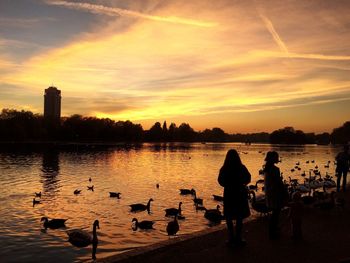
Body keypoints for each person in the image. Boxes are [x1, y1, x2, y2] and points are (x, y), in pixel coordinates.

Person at [218, 149, 251, 246]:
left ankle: (231, 237)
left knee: (229, 216)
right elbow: (248, 178)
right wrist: (242, 183)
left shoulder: (224, 168)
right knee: (239, 217)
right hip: (240, 193)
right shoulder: (241, 167)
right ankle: (238, 238)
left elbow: (220, 181)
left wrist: (227, 184)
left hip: (229, 194)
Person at [263, 151, 286, 239]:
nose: (278, 159)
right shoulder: (275, 169)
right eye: (277, 157)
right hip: (275, 193)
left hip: (269, 193)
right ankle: (273, 232)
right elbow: (278, 183)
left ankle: (272, 231)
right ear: (273, 159)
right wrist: (285, 193)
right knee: (276, 213)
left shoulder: (266, 169)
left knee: (274, 213)